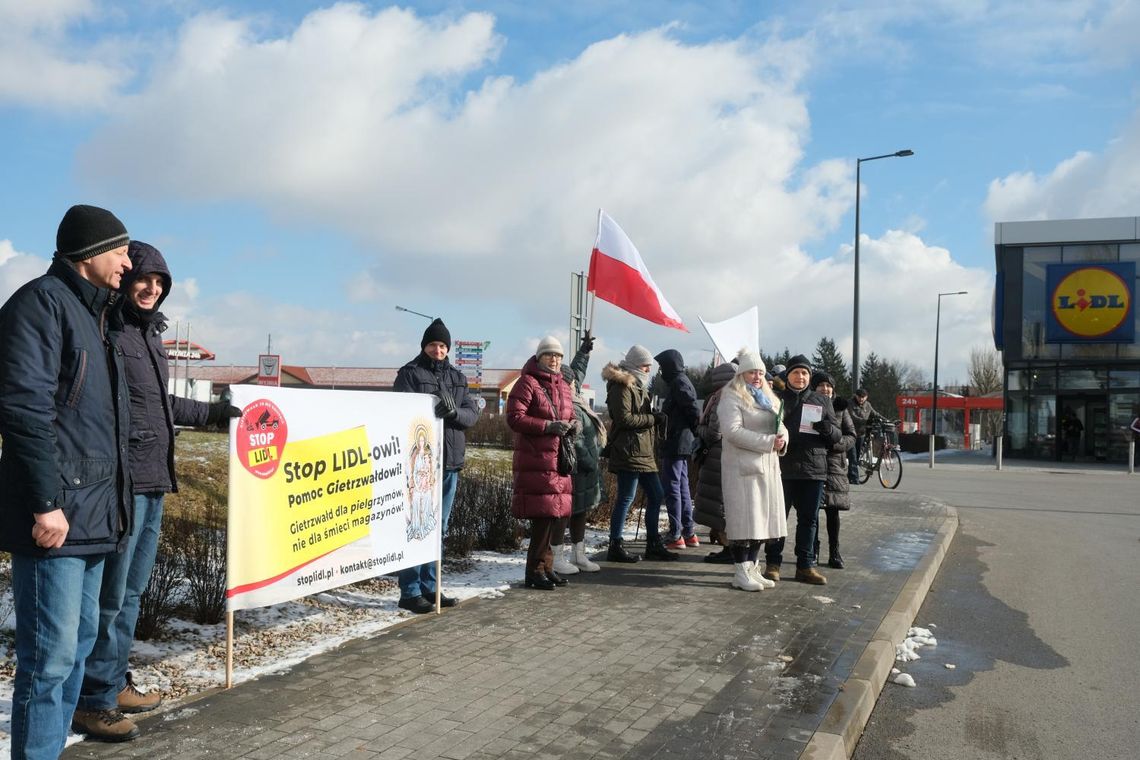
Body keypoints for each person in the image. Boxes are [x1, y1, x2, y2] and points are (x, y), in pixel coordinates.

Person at [73, 241, 240, 741]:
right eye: (143, 279)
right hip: (123, 482)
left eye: (160, 283)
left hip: (154, 480)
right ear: (124, 279)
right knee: (112, 596)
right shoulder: (110, 328)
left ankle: (112, 680)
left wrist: (211, 414)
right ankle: (93, 700)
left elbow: (158, 402)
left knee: (131, 594)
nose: (151, 289)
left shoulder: (148, 334)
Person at [0, 205, 134, 758]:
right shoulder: (39, 305)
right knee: (48, 661)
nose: (129, 262)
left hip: (95, 512)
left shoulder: (100, 316)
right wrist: (45, 503)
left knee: (76, 649)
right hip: (57, 517)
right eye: (121, 250)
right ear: (88, 253)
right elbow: (25, 411)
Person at [393, 318, 482, 613]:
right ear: (424, 346)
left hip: (449, 463)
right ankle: (410, 590)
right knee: (416, 525)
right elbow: (401, 412)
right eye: (433, 344)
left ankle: (431, 587)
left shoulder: (458, 378)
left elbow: (470, 415)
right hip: (421, 463)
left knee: (437, 528)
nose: (438, 349)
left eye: (443, 345)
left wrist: (453, 413)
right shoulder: (410, 374)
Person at [762, 354, 841, 585]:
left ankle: (805, 566)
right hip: (782, 468)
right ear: (788, 376)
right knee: (777, 518)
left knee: (809, 520)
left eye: (804, 373)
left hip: (813, 469)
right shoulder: (777, 399)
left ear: (809, 376)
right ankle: (772, 564)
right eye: (796, 372)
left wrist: (827, 428)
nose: (800, 377)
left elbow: (837, 437)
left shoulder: (822, 401)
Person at [507, 336, 577, 590]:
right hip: (537, 459)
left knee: (556, 516)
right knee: (543, 518)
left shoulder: (564, 386)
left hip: (559, 460)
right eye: (549, 355)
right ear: (539, 357)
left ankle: (546, 567)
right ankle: (534, 571)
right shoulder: (528, 383)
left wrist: (573, 426)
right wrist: (548, 426)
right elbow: (515, 418)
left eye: (558, 356)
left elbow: (572, 414)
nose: (555, 359)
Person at [718, 351, 787, 591]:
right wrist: (768, 442)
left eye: (760, 372)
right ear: (741, 373)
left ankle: (753, 566)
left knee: (761, 522)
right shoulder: (731, 396)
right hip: (742, 469)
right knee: (744, 521)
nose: (757, 376)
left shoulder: (768, 397)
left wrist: (782, 439)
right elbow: (731, 431)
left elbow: (781, 425)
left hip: (767, 468)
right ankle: (740, 570)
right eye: (751, 372)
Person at [601, 345, 673, 562]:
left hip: (643, 451)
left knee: (656, 494)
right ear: (634, 365)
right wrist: (653, 419)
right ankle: (615, 545)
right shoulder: (621, 386)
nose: (649, 369)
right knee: (626, 497)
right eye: (645, 365)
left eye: (650, 366)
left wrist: (653, 416)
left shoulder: (639, 385)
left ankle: (653, 543)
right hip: (628, 450)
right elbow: (624, 419)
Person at [550, 332, 607, 575]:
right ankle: (557, 557)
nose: (573, 384)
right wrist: (591, 460)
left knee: (580, 512)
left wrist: (584, 352)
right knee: (564, 513)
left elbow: (575, 371)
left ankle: (579, 554)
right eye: (570, 381)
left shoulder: (575, 396)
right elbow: (576, 440)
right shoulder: (566, 402)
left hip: (585, 470)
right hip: (573, 468)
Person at [654, 349, 702, 550]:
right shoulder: (681, 380)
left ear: (668, 366)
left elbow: (692, 409)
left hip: (676, 442)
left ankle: (676, 534)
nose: (659, 371)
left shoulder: (678, 382)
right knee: (681, 486)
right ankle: (688, 532)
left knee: (673, 487)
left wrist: (695, 430)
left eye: (661, 366)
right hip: (681, 442)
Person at [692, 361, 738, 563]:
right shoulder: (736, 397)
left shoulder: (721, 399)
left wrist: (698, 428)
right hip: (727, 457)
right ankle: (728, 548)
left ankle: (729, 550)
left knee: (721, 507)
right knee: (723, 505)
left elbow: (714, 433)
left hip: (718, 459)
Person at [810, 372, 856, 570]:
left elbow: (851, 436)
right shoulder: (809, 406)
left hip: (835, 467)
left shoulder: (841, 409)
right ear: (814, 388)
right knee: (812, 512)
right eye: (821, 385)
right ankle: (813, 551)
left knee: (833, 512)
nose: (825, 389)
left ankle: (834, 552)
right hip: (813, 463)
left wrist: (835, 443)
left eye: (828, 386)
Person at [847, 388, 879, 483]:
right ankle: (854, 479)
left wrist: (887, 420)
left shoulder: (867, 405)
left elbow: (875, 414)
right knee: (852, 456)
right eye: (859, 397)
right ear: (855, 396)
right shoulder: (850, 403)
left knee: (856, 457)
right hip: (850, 433)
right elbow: (852, 416)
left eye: (863, 397)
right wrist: (866, 421)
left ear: (866, 397)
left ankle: (850, 475)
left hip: (861, 434)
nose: (861, 399)